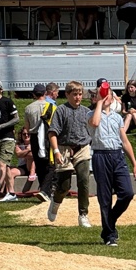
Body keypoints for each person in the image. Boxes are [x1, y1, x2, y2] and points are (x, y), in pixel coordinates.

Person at [87, 82, 136, 246]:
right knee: (105, 197)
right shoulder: (90, 114)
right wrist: (99, 103)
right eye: (102, 94)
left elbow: (124, 141)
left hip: (117, 156)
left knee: (127, 193)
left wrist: (135, 164)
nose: (105, 96)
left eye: (107, 94)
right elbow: (95, 123)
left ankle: (109, 220)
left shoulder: (117, 117)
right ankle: (109, 235)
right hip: (100, 155)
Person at [47, 81, 93, 227]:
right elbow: (53, 132)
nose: (78, 97)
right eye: (74, 94)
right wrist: (56, 151)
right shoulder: (60, 110)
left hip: (82, 148)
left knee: (84, 180)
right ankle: (56, 201)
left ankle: (83, 214)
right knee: (64, 185)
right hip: (64, 148)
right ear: (67, 95)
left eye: (80, 94)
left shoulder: (86, 111)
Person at [24, 83, 54, 201]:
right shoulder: (50, 106)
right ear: (45, 93)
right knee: (50, 164)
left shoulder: (28, 108)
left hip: (34, 137)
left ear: (33, 94)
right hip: (48, 137)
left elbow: (27, 127)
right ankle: (46, 191)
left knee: (39, 164)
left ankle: (43, 188)